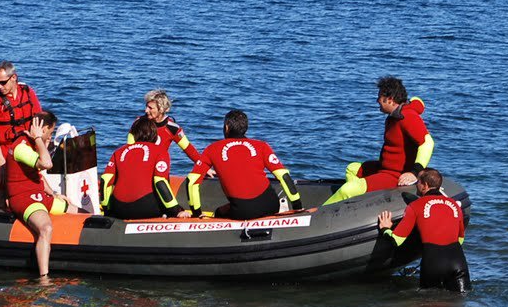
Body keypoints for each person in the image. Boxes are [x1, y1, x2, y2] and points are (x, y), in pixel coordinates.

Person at [324, 75, 434, 205]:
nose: (377, 101)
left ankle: (316, 216)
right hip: (384, 167)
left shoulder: (407, 117)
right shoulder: (396, 114)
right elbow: (417, 101)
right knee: (352, 169)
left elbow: (427, 143)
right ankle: (357, 205)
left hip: (395, 175)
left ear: (390, 99)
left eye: (380, 98)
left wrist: (414, 172)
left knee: (349, 189)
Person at [179, 110, 302, 220]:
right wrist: (297, 208)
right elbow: (283, 175)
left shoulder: (212, 149)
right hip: (271, 205)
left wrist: (196, 214)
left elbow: (192, 181)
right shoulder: (262, 146)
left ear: (226, 128)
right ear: (245, 128)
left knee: (219, 213)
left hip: (242, 211)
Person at [377, 168, 469, 292]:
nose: (416, 186)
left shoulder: (415, 206)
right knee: (461, 302)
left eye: (418, 182)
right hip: (458, 261)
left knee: (428, 305)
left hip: (433, 262)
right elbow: (460, 239)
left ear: (425, 185)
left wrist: (385, 229)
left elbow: (397, 240)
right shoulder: (454, 205)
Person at [5, 110, 68, 276]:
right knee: (46, 228)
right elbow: (47, 164)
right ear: (43, 129)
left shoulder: (32, 144)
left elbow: (37, 176)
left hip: (39, 195)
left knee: (76, 210)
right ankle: (44, 277)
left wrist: (54, 193)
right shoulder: (21, 147)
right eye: (51, 132)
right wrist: (39, 138)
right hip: (23, 199)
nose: (51, 136)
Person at [103, 115, 181, 219]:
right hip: (145, 208)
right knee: (173, 207)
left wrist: (107, 211)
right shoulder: (160, 151)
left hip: (119, 208)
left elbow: (105, 180)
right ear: (154, 134)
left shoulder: (118, 152)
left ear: (134, 134)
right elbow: (160, 181)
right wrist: (176, 210)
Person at [0, 61, 42, 198]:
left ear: (14, 78)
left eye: (3, 82)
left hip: (27, 153)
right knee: (3, 198)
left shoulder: (28, 92)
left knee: (32, 191)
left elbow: (39, 123)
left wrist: (41, 149)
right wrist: (2, 165)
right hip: (4, 155)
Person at [128, 89, 200, 166]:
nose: (146, 110)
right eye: (146, 107)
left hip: (160, 168)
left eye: (150, 108)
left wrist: (203, 166)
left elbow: (188, 148)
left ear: (161, 109)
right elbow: (129, 147)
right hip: (139, 166)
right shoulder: (139, 122)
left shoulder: (173, 128)